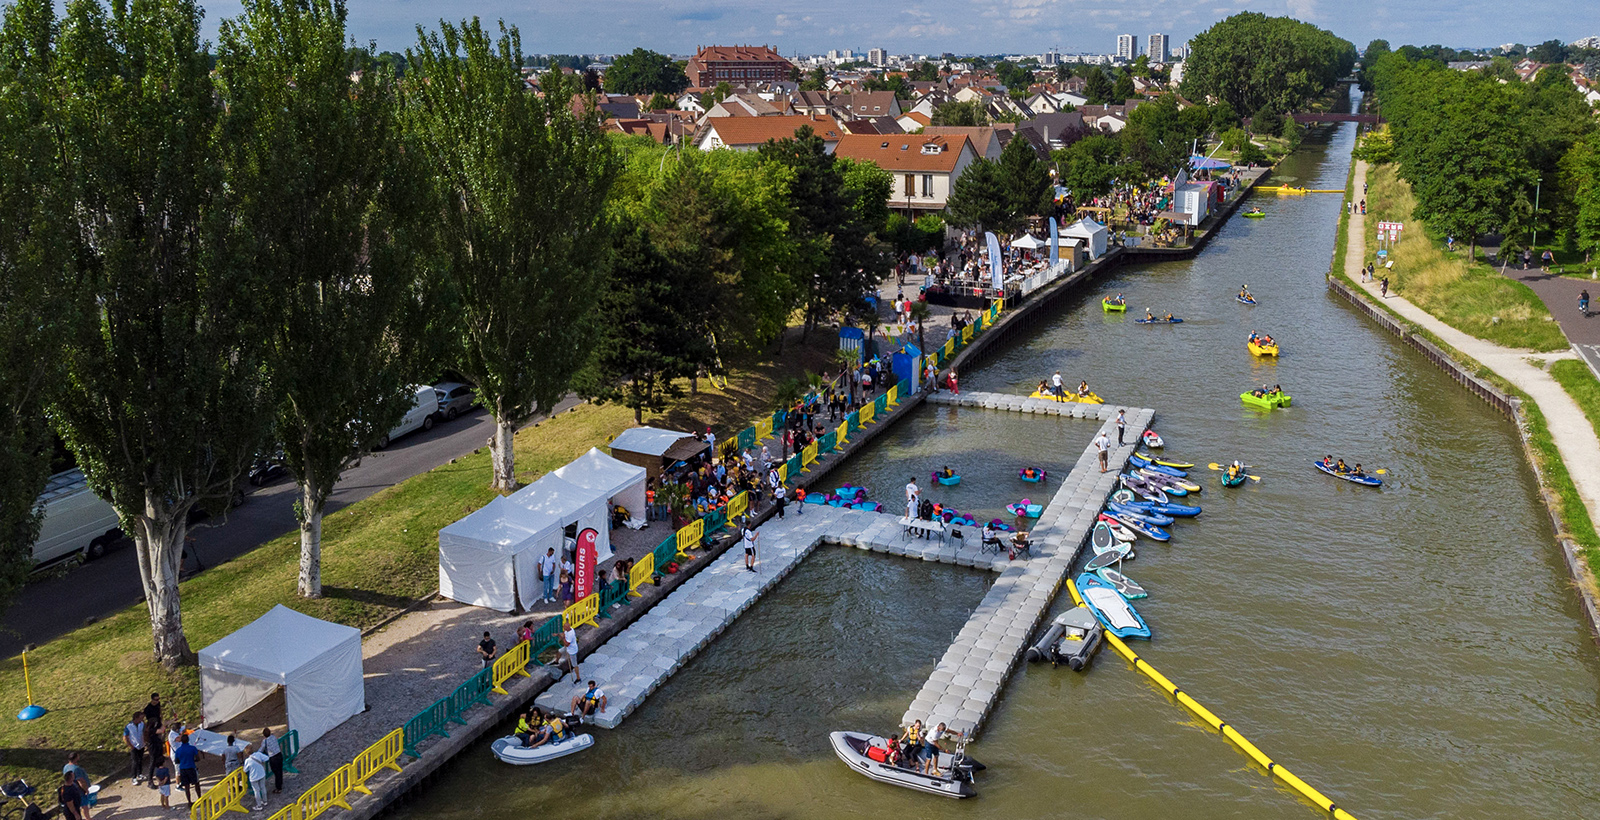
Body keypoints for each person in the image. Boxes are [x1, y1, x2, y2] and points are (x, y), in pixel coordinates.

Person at [172, 732, 202, 804]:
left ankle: (189, 801)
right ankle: (200, 798)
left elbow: (176, 761)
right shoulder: (193, 748)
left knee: (187, 787)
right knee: (196, 784)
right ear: (188, 740)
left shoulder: (178, 750)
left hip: (183, 769)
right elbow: (198, 759)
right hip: (191, 767)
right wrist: (192, 760)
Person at [124, 711, 148, 785]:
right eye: (141, 718)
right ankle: (133, 777)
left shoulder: (142, 724)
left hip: (141, 745)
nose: (142, 719)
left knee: (140, 760)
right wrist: (131, 746)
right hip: (134, 746)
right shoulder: (129, 726)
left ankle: (139, 774)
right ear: (136, 718)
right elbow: (125, 737)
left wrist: (145, 742)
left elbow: (144, 733)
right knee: (135, 762)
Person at [244, 746, 269, 812]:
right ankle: (265, 801)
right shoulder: (258, 754)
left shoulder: (247, 760)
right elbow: (266, 758)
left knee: (256, 791)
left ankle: (259, 805)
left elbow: (245, 770)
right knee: (263, 787)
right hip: (262, 774)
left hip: (254, 777)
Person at [261, 727, 283, 793]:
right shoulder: (273, 737)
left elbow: (261, 749)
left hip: (273, 758)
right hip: (279, 754)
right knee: (280, 770)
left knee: (276, 772)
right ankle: (280, 784)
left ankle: (278, 787)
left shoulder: (265, 741)